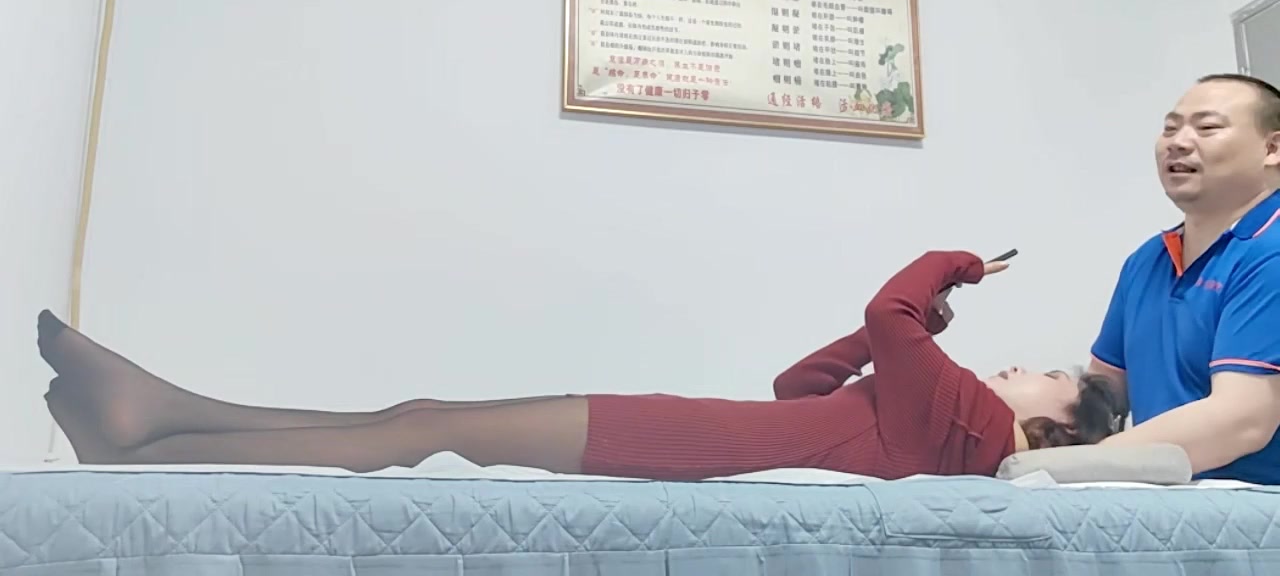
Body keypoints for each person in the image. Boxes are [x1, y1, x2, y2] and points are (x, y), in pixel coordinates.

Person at [38, 250, 1127, 479]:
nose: (1018, 367)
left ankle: (149, 439)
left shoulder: (970, 430)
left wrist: (948, 268)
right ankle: (161, 417)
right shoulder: (941, 410)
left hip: (674, 441)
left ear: (1053, 427)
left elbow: (886, 309)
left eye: (1041, 372)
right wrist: (914, 331)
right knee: (420, 412)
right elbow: (801, 386)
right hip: (693, 425)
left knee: (425, 428)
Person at [1090, 73, 1280, 484]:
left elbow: (1242, 421)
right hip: (1163, 502)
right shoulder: (1146, 260)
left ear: (1272, 149)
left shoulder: (1272, 250)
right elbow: (1101, 395)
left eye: (1207, 127)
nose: (1177, 142)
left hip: (1254, 504)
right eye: (1170, 128)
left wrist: (1083, 463)